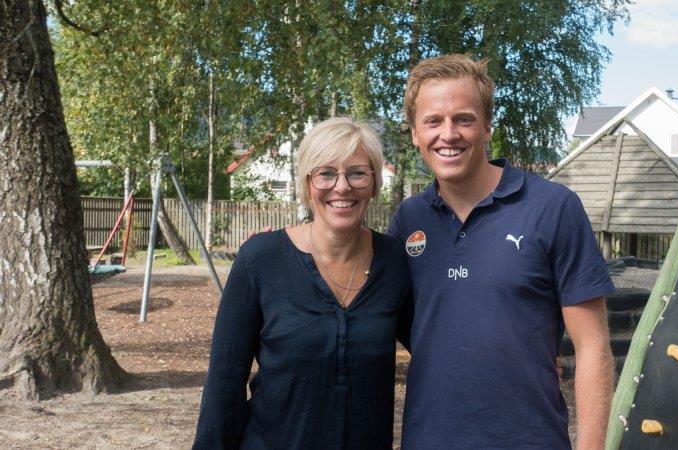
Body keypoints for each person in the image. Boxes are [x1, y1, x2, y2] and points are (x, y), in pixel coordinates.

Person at [387, 54, 615, 449]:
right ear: (414, 133)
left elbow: (593, 347)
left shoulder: (552, 208)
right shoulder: (409, 220)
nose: (448, 133)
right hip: (429, 437)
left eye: (464, 119)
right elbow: (413, 325)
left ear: (487, 126)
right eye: (433, 121)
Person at [193, 116, 410, 449]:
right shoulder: (261, 259)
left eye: (357, 172)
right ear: (307, 184)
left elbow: (437, 348)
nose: (342, 186)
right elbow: (225, 382)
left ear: (375, 182)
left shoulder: (395, 262)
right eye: (325, 173)